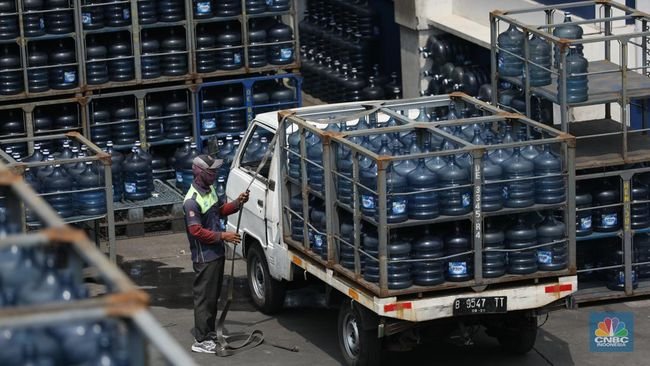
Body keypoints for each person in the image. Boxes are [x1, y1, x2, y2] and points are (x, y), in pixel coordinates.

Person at [183, 154, 249, 353]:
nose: (215, 174)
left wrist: (237, 203)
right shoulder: (191, 201)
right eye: (211, 171)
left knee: (213, 297)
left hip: (216, 253)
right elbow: (196, 231)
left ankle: (210, 332)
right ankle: (201, 340)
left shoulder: (210, 190)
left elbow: (219, 211)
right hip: (205, 257)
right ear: (200, 172)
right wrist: (223, 236)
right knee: (204, 298)